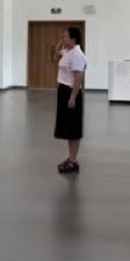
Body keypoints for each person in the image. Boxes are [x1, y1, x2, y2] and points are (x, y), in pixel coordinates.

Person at [54, 27, 87, 174]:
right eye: (63, 36)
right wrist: (61, 43)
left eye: (66, 37)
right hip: (63, 91)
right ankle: (71, 159)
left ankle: (73, 162)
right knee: (68, 128)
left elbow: (78, 77)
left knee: (73, 129)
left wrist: (72, 97)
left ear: (73, 39)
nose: (63, 39)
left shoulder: (77, 54)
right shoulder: (68, 51)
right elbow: (56, 53)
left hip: (71, 92)